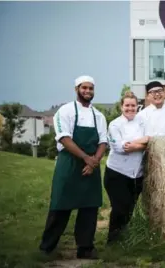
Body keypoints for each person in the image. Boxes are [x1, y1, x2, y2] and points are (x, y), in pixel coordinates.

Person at [39, 75, 107, 259]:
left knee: (89, 208)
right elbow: (64, 138)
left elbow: (103, 141)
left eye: (91, 88)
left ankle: (85, 248)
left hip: (91, 165)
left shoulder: (98, 115)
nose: (87, 91)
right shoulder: (65, 111)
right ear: (76, 89)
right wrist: (86, 158)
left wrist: (94, 162)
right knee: (60, 206)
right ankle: (47, 247)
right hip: (69, 164)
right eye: (84, 88)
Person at [104, 91, 150, 244]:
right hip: (117, 173)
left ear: (137, 106)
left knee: (130, 208)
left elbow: (150, 140)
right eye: (127, 105)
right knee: (119, 207)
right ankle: (113, 240)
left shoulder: (143, 122)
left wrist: (135, 143)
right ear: (121, 107)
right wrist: (142, 143)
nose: (130, 108)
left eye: (133, 105)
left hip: (137, 174)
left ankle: (124, 238)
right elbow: (120, 147)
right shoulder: (115, 124)